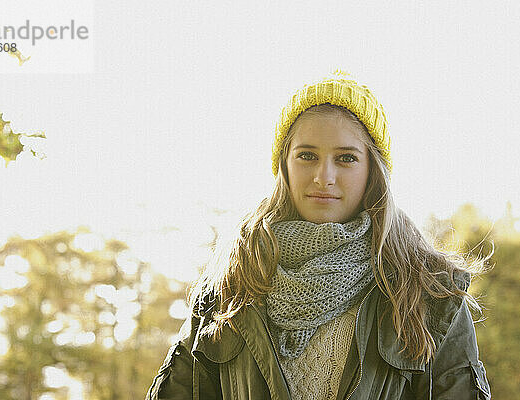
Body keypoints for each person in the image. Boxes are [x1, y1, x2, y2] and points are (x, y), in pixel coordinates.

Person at [145, 71, 492, 399]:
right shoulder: (229, 287)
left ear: (373, 170)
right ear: (284, 165)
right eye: (307, 156)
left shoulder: (428, 292)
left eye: (345, 158)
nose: (323, 177)